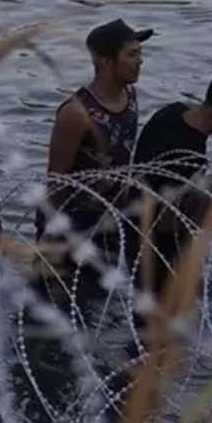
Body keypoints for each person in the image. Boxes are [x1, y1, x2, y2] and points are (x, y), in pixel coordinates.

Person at [44, 18, 149, 322]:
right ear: (105, 62)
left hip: (111, 220)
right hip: (74, 224)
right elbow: (56, 178)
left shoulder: (131, 96)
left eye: (140, 53)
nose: (140, 61)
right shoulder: (76, 113)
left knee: (95, 307)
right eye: (132, 54)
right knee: (57, 307)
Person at [134, 62, 212, 303]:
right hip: (157, 251)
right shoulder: (186, 151)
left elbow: (161, 180)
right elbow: (167, 222)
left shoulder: (172, 113)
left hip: (138, 230)